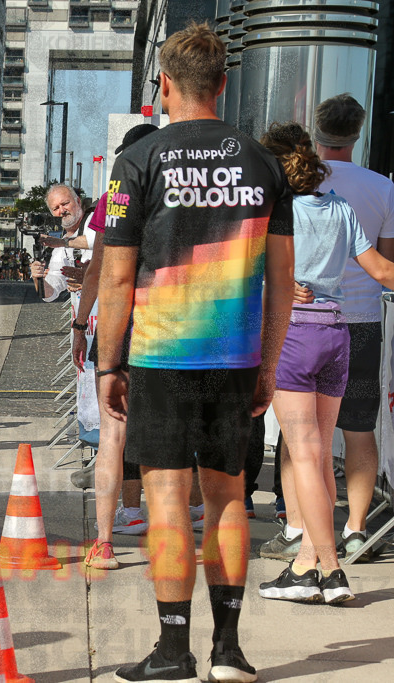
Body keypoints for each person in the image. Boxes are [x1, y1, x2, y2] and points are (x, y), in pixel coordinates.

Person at [98, 22, 293, 683]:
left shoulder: (138, 162)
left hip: (161, 356)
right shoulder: (263, 162)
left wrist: (107, 362)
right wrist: (267, 364)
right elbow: (282, 280)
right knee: (229, 497)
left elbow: (119, 276)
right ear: (225, 83)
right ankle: (230, 652)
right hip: (235, 360)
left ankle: (174, 649)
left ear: (164, 85)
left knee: (168, 499)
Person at [255, 121, 394, 605]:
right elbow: (380, 269)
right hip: (339, 335)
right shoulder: (339, 207)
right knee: (315, 457)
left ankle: (330, 570)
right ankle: (305, 564)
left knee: (307, 457)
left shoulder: (275, 211)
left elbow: (252, 272)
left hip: (293, 334)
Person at [58, 123, 159, 571]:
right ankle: (167, 535)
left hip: (121, 325)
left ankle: (103, 542)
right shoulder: (181, 193)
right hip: (175, 324)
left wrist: (82, 323)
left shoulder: (113, 198)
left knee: (113, 435)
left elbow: (100, 264)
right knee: (168, 436)